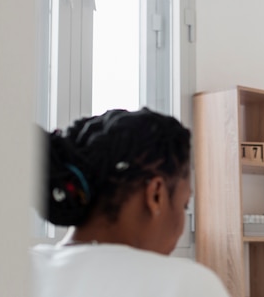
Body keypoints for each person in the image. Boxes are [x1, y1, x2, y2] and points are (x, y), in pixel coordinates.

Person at [31, 108, 231, 297]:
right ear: (156, 195)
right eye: (184, 205)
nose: (180, 231)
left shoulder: (24, 267)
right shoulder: (186, 284)